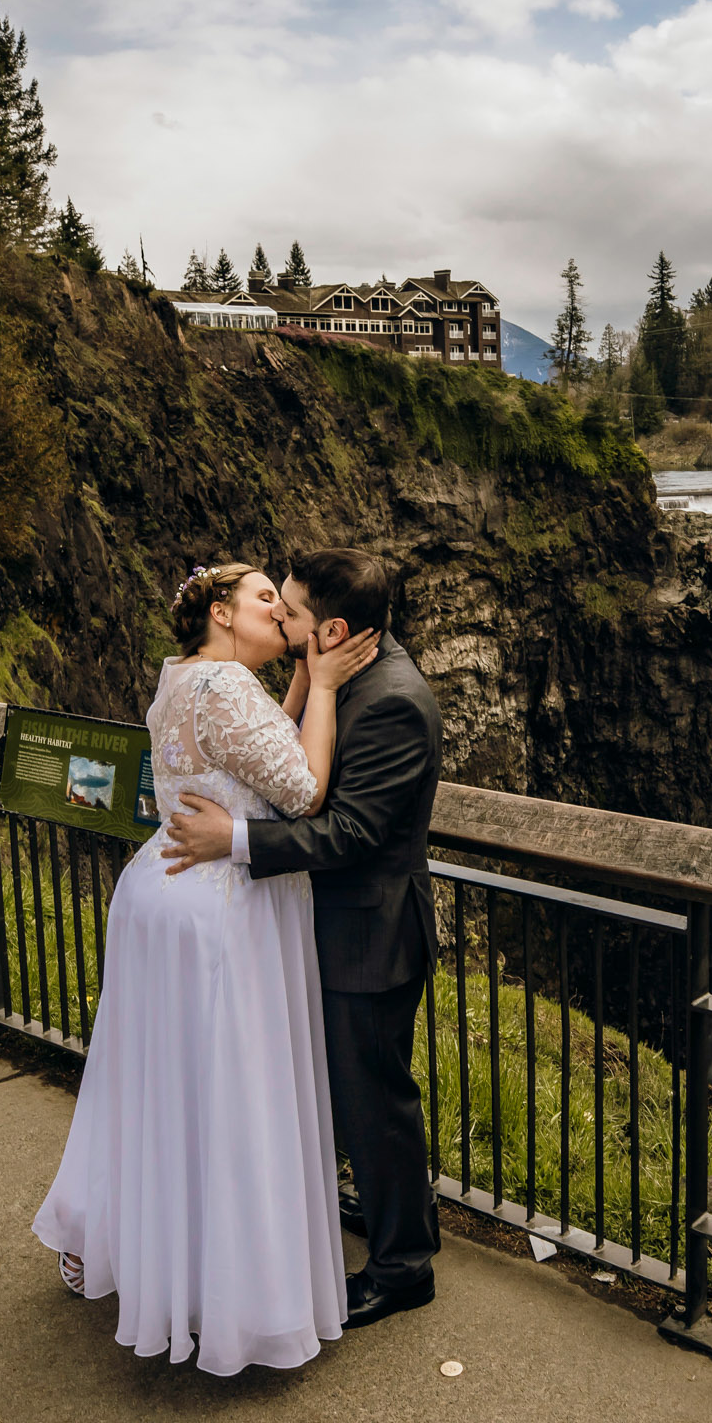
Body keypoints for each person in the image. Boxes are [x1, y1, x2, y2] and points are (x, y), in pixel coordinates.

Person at [32, 562, 378, 1376]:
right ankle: (226, 1291)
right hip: (218, 909)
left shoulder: (183, 678)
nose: (281, 613)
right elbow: (300, 788)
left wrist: (295, 683)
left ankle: (125, 1244)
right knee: (226, 1095)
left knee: (154, 1088)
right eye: (265, 599)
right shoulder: (225, 685)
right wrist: (323, 682)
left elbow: (249, 751)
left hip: (159, 893)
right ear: (222, 613)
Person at [165, 548, 444, 1331]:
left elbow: (350, 830)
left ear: (334, 628)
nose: (281, 622)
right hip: (338, 928)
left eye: (290, 613)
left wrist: (239, 841)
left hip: (371, 936)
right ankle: (404, 1218)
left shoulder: (392, 700)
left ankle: (403, 1268)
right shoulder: (344, 675)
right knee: (358, 1096)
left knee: (376, 1102)